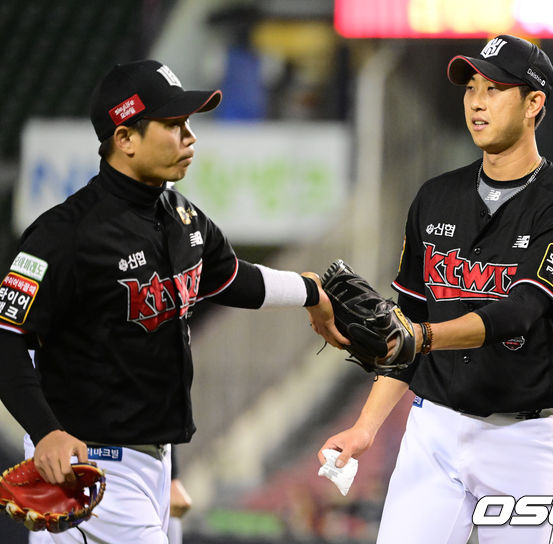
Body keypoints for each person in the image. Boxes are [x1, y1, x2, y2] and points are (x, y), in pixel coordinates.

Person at [0, 59, 346, 543]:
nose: (190, 137)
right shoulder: (65, 235)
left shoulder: (180, 215)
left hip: (152, 464)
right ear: (125, 138)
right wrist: (44, 431)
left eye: (188, 124)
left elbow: (233, 280)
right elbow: (7, 337)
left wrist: (310, 291)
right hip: (92, 468)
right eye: (173, 124)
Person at [317, 35, 553, 544]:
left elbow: (518, 312)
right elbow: (403, 323)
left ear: (535, 103)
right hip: (435, 428)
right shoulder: (435, 197)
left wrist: (419, 337)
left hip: (524, 437)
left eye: (494, 88)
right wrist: (365, 426)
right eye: (471, 87)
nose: (476, 101)